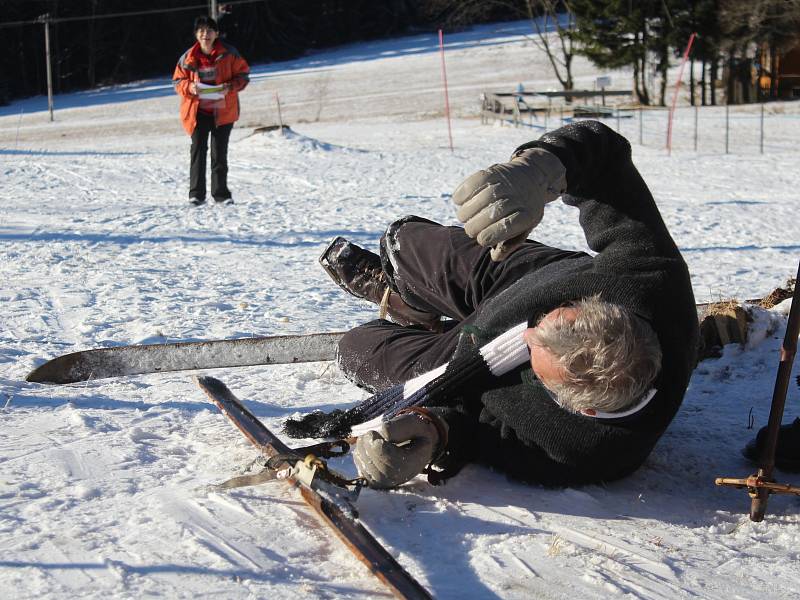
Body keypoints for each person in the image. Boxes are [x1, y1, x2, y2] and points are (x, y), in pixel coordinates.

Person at [288, 120, 700, 490]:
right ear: (611, 310)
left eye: (534, 349)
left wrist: (432, 432)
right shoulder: (649, 280)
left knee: (356, 349)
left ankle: (414, 314)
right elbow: (606, 157)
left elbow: (482, 434)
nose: (527, 331)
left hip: (465, 360)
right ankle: (408, 294)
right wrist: (540, 171)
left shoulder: (581, 450)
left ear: (579, 407)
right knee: (404, 241)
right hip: (524, 276)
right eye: (548, 320)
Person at [173, 16, 249, 206]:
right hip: (197, 112)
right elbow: (178, 81)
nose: (205, 34)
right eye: (201, 31)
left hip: (223, 112)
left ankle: (221, 194)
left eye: (209, 31)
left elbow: (243, 75)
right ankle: (196, 195)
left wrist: (230, 87)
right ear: (196, 34)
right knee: (197, 152)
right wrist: (190, 87)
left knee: (219, 154)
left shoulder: (230, 54)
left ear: (216, 34)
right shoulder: (188, 57)